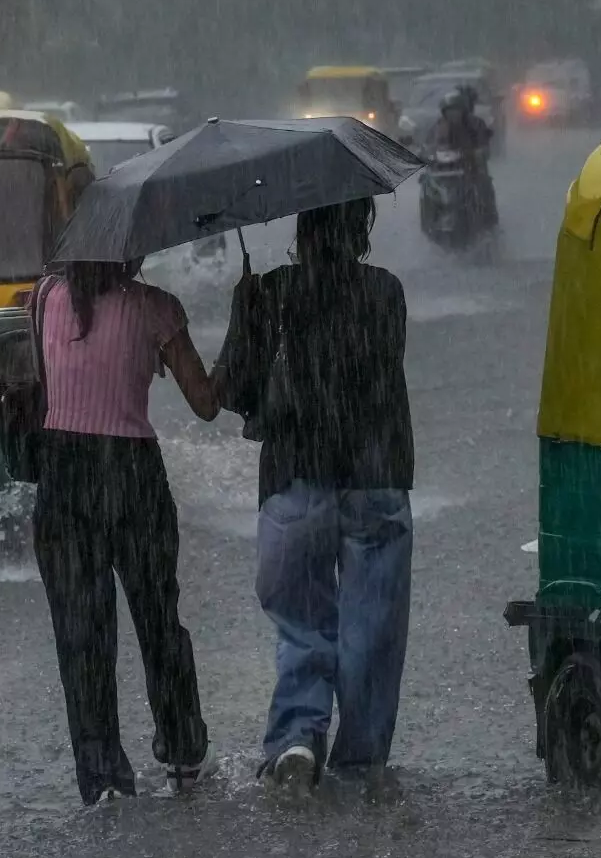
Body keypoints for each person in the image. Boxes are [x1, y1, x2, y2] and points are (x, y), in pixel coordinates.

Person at [215, 198, 415, 790]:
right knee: (371, 630)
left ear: (301, 230)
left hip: (294, 476)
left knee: (302, 625)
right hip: (375, 478)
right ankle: (360, 761)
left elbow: (233, 393)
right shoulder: (386, 293)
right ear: (362, 229)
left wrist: (247, 310)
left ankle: (297, 737)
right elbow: (376, 375)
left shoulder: (269, 294)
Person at [31, 259, 220, 805]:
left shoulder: (44, 298)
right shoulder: (154, 306)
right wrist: (244, 330)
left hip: (62, 473)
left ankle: (104, 776)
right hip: (132, 474)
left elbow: (44, 383)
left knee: (82, 635)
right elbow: (205, 403)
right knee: (159, 620)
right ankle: (184, 752)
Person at [429, 87, 499, 230]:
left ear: (463, 110)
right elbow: (430, 143)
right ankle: (430, 217)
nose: (453, 114)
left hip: (471, 167)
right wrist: (423, 152)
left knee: (484, 184)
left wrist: (478, 152)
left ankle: (489, 219)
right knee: (427, 183)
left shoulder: (476, 123)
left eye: (456, 110)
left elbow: (483, 142)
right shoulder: (439, 126)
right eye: (449, 111)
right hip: (445, 170)